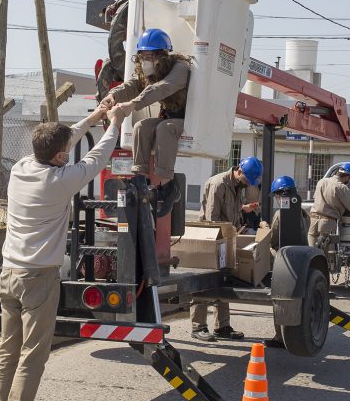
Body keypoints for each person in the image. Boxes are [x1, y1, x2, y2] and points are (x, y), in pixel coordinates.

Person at [0, 101, 125, 401]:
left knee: (8, 350)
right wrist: (114, 123)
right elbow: (98, 157)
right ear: (60, 156)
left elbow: (67, 141)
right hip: (38, 279)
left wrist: (94, 118)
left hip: (8, 275)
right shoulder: (60, 180)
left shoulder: (22, 168)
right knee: (32, 357)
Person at [101, 28, 190, 209]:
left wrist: (132, 105)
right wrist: (113, 96)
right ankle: (140, 179)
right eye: (142, 56)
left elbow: (162, 88)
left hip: (187, 120)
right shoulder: (146, 72)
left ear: (162, 55)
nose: (145, 61)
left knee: (164, 128)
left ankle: (168, 186)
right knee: (141, 126)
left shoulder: (180, 68)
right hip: (169, 117)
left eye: (150, 57)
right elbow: (133, 85)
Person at [189, 157, 263, 341]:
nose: (247, 185)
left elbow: (234, 213)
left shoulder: (238, 187)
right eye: (246, 180)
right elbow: (212, 219)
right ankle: (198, 327)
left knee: (223, 281)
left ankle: (222, 327)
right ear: (239, 171)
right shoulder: (219, 183)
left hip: (227, 238)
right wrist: (224, 239)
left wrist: (237, 229)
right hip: (212, 238)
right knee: (203, 283)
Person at [309, 163, 350, 250]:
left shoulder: (321, 181)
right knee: (327, 254)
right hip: (327, 222)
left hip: (313, 219)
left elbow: (316, 198)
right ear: (348, 177)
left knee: (312, 253)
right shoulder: (342, 187)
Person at [267, 176, 310, 250]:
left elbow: (273, 239)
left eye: (276, 196)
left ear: (280, 195)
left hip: (285, 253)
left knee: (268, 250)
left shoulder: (279, 214)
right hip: (303, 251)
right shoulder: (303, 213)